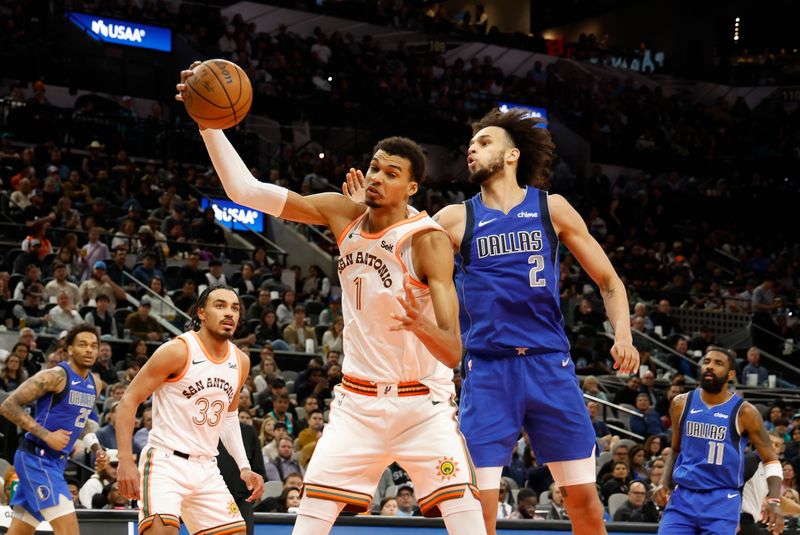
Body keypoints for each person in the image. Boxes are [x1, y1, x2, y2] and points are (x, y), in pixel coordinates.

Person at [181, 62, 485, 535]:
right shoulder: (342, 213)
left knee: (466, 520)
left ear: (411, 187)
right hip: (357, 405)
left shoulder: (427, 241)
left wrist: (419, 324)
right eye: (373, 167)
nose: (376, 177)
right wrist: (208, 126)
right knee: (309, 524)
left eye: (390, 172)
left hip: (422, 405)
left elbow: (452, 350)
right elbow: (245, 191)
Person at [345, 107, 638, 535]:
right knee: (475, 512)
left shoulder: (551, 208)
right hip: (488, 372)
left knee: (586, 506)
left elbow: (610, 282)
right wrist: (364, 214)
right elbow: (388, 251)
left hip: (549, 366)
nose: (472, 151)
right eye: (470, 146)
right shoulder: (453, 218)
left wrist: (624, 335)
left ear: (512, 154)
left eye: (483, 143)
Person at [114, 286, 264, 535]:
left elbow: (228, 416)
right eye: (220, 305)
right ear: (201, 313)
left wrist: (244, 466)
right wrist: (125, 461)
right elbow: (128, 400)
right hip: (166, 462)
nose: (229, 313)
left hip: (206, 467)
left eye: (235, 308)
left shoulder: (241, 361)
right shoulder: (178, 350)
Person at [654, 347, 784, 535]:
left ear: (731, 374)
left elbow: (771, 460)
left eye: (718, 363)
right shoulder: (680, 403)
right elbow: (675, 449)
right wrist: (663, 483)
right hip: (683, 498)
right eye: (706, 362)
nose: (710, 367)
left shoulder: (745, 412)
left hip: (722, 501)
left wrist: (774, 500)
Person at [0, 324, 107, 535]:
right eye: (82, 345)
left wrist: (96, 448)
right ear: (69, 349)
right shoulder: (54, 376)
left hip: (56, 461)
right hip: (36, 457)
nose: (89, 350)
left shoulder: (96, 383)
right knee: (69, 531)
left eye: (94, 346)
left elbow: (80, 420)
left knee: (20, 531)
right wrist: (47, 435)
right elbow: (7, 406)